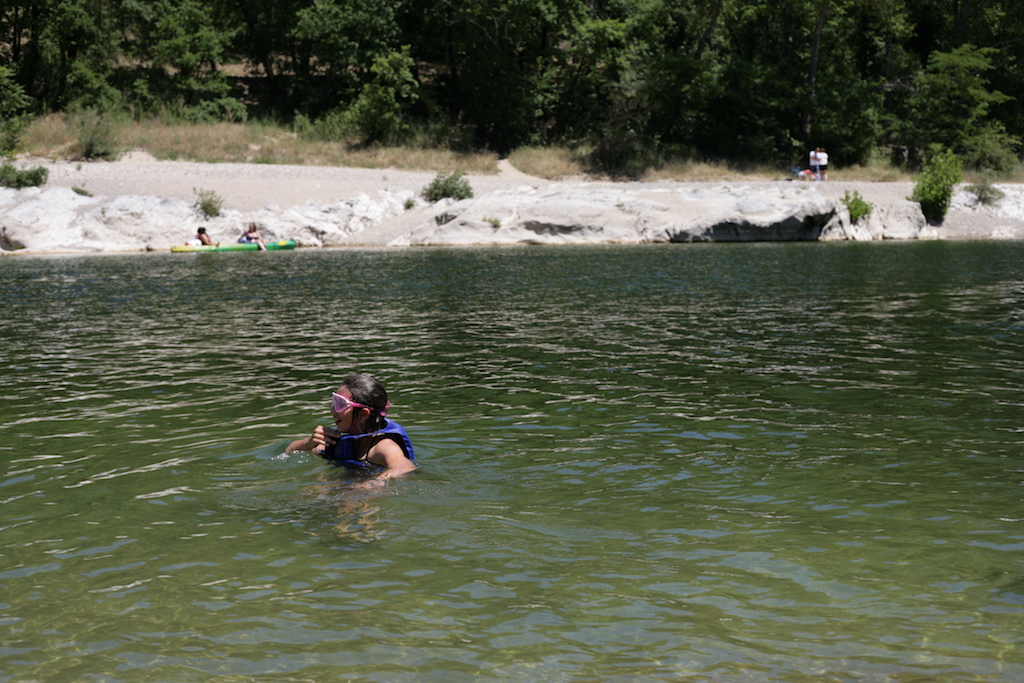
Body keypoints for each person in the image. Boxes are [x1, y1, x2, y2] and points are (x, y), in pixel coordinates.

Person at [287, 374, 416, 480]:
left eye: (340, 404)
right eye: (334, 402)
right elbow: (288, 452)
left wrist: (373, 484)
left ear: (364, 414)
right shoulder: (333, 438)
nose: (332, 410)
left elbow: (406, 467)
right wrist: (307, 443)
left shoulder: (382, 446)